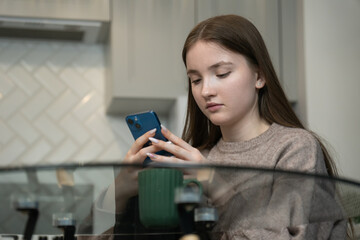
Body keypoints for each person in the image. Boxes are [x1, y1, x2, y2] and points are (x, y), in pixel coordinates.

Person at [113, 15, 351, 239]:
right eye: (196, 80)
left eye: (222, 73)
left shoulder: (295, 149)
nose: (206, 91)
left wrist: (216, 186)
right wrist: (118, 195)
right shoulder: (197, 160)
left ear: (259, 76)